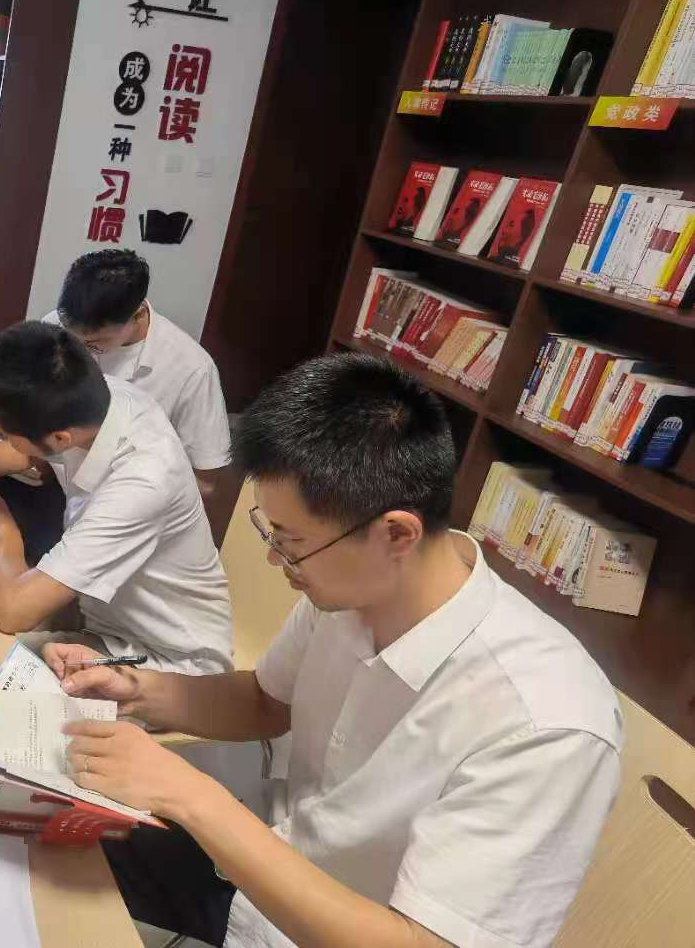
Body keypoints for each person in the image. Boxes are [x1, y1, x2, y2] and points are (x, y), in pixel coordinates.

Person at [50, 353, 622, 948]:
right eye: (271, 532)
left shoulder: (545, 724)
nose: (275, 558)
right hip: (260, 869)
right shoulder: (354, 588)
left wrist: (190, 797)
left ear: (396, 533)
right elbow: (266, 702)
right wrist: (138, 691)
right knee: (37, 839)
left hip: (316, 918)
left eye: (291, 542)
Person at [0, 321, 231, 674]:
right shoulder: (100, 399)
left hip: (167, 659)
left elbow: (13, 613)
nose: (1, 439)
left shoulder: (142, 484)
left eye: (1, 432)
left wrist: (4, 526)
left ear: (61, 438)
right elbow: (26, 453)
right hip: (100, 617)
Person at [45, 249, 237, 545]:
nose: (81, 349)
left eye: (95, 344)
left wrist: (130, 510)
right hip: (61, 484)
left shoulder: (191, 369)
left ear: (138, 315)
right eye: (73, 338)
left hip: (132, 518)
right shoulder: (54, 329)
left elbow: (207, 481)